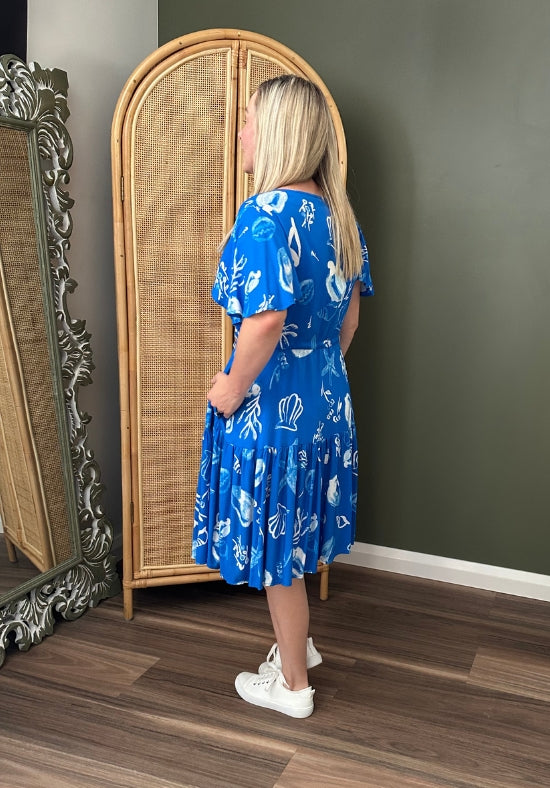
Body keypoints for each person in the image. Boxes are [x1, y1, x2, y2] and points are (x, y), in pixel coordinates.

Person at [192, 74, 373, 718]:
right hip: (326, 405)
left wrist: (230, 388)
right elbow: (348, 321)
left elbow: (265, 320)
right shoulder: (338, 215)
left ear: (273, 134)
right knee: (300, 537)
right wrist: (315, 377)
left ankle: (292, 686)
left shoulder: (266, 214)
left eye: (247, 121)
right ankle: (299, 646)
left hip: (270, 414)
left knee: (277, 555)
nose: (238, 133)